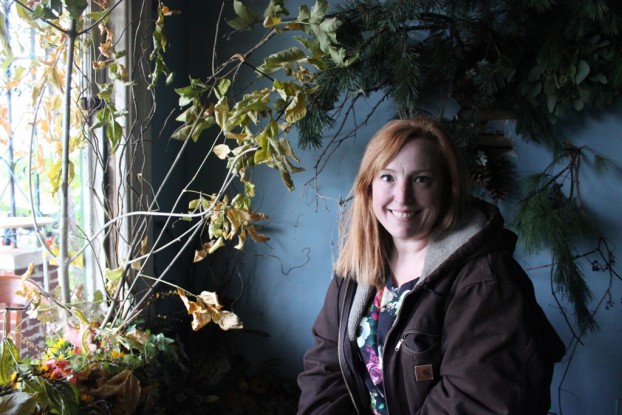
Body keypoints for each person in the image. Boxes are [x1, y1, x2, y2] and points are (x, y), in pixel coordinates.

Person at [297, 117, 565, 414]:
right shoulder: (357, 268)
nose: (402, 197)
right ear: (368, 187)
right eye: (387, 177)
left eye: (421, 179)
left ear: (446, 189)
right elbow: (326, 371)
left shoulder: (486, 279)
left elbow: (476, 400)